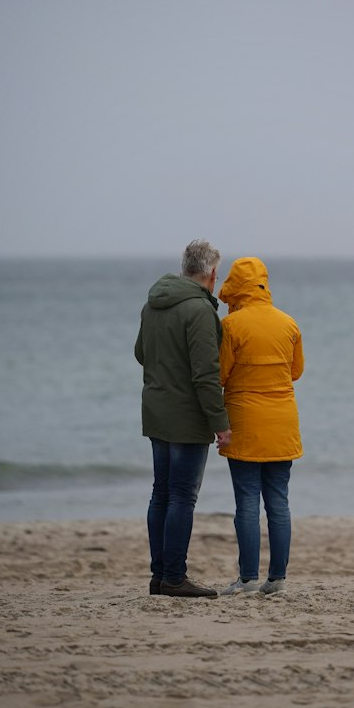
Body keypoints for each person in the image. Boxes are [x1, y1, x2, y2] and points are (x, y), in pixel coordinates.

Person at [134, 239, 231, 598]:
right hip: (187, 417)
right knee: (181, 497)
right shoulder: (199, 311)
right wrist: (220, 423)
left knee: (161, 493)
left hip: (156, 410)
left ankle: (159, 575)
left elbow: (141, 352)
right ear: (211, 274)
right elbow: (206, 374)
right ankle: (174, 577)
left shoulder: (153, 303)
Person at [216, 257, 304, 596]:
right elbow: (295, 372)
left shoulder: (232, 326)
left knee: (247, 502)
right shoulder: (288, 323)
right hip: (283, 420)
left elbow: (220, 374)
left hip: (245, 422)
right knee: (279, 502)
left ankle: (248, 579)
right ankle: (277, 579)